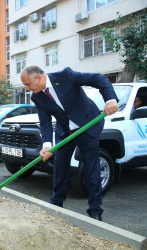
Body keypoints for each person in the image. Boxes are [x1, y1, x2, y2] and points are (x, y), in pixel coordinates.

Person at [20, 66, 119, 221]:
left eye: (28, 84)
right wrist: (46, 145)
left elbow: (99, 79)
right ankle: (56, 203)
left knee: (91, 168)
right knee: (60, 167)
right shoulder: (37, 97)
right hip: (65, 131)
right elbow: (44, 122)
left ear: (38, 78)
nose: (27, 88)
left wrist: (110, 100)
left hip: (87, 124)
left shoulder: (66, 76)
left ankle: (95, 210)